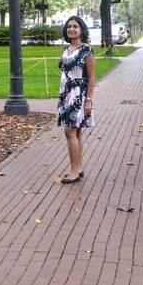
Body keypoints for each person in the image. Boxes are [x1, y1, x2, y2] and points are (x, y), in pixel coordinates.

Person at [57, 15, 95, 184]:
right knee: (76, 131)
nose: (71, 29)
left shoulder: (86, 50)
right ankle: (78, 168)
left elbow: (92, 77)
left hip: (78, 96)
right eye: (69, 26)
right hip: (66, 95)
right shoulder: (66, 49)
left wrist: (89, 100)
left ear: (81, 30)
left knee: (69, 131)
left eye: (75, 26)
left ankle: (73, 172)